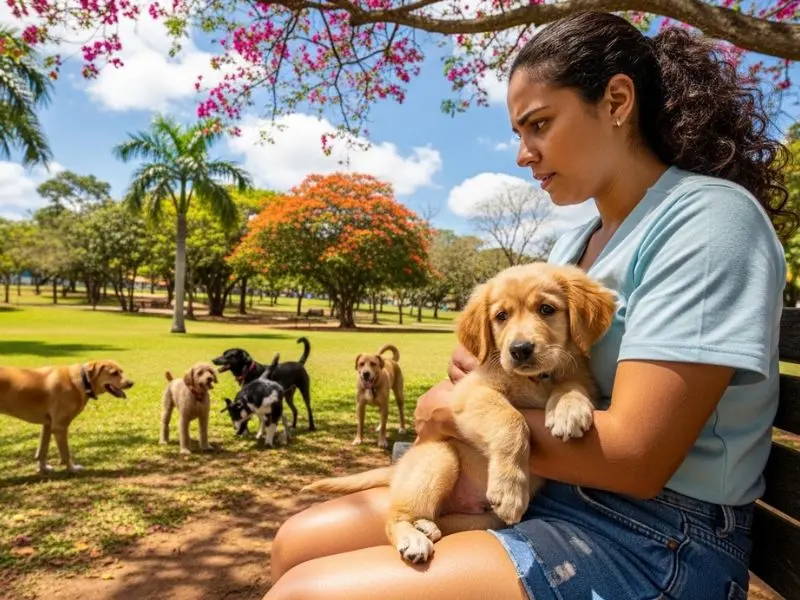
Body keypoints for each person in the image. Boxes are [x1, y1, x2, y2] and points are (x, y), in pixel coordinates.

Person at [264, 10, 796, 600]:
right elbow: (482, 360)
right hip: (547, 488)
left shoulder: (709, 219)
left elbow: (640, 459)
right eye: (520, 133)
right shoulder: (573, 242)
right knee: (294, 542)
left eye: (538, 125)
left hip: (657, 535)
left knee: (307, 592)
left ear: (617, 101)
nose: (524, 153)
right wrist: (472, 388)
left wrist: (449, 415)